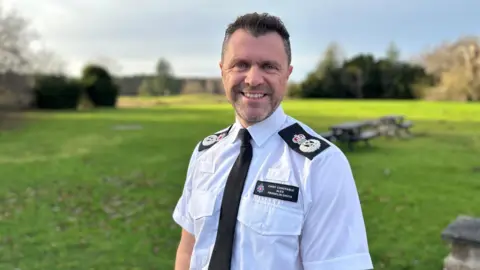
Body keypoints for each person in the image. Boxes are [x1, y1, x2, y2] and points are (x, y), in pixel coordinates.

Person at [172, 12, 373, 270]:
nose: (253, 79)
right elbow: (189, 248)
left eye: (269, 66)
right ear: (223, 71)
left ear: (287, 74)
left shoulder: (321, 166)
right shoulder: (205, 154)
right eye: (241, 64)